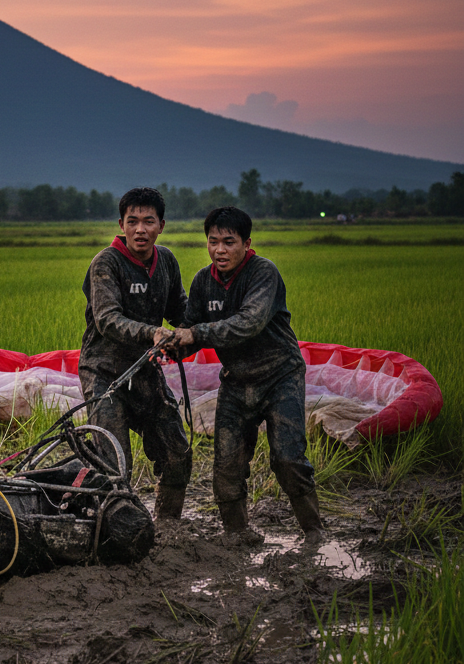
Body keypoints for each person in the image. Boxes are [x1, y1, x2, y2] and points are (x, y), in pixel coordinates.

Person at [161, 206, 324, 543]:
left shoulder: (264, 273)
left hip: (280, 376)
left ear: (247, 243)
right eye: (213, 242)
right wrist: (173, 343)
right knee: (227, 465)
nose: (220, 250)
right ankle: (237, 533)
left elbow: (249, 323)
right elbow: (191, 328)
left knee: (288, 459)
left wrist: (196, 334)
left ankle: (314, 530)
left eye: (229, 242)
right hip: (236, 380)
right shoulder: (204, 281)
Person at [79, 187, 192, 518]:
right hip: (104, 373)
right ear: (121, 224)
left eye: (148, 221)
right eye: (133, 221)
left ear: (162, 225)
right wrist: (151, 332)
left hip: (144, 371)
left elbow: (179, 309)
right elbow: (107, 319)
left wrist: (198, 331)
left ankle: (168, 527)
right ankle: (114, 530)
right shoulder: (106, 263)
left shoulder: (166, 261)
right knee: (115, 464)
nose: (140, 229)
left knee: (177, 451)